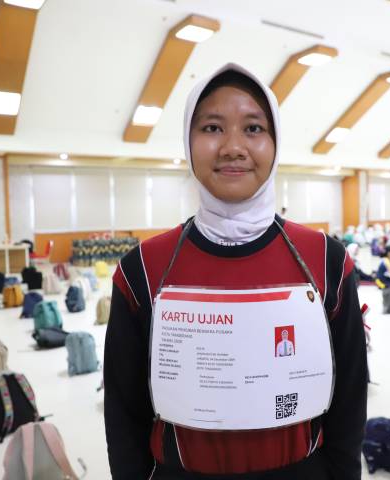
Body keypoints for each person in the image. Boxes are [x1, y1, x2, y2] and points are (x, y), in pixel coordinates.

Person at [103, 64, 367, 479]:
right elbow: (123, 411)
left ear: (275, 144)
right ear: (188, 142)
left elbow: (350, 395)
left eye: (253, 129)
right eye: (212, 128)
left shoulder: (326, 260)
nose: (232, 147)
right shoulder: (143, 270)